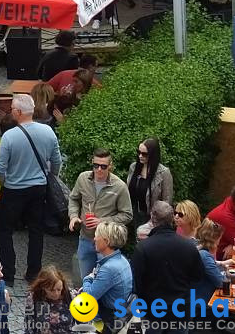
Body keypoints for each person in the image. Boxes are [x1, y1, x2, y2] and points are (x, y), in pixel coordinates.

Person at [0, 93, 60, 283]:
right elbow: (56, 161)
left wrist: (5, 182)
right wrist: (49, 176)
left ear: (20, 112)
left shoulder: (9, 136)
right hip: (38, 187)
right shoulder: (48, 132)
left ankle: (8, 272)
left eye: (13, 109)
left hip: (13, 188)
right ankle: (33, 272)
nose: (11, 111)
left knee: (5, 230)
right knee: (36, 230)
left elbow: (0, 167)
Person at [130, 201, 205, 330]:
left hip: (153, 309)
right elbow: (198, 276)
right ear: (172, 219)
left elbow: (137, 283)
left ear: (153, 218)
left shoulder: (142, 248)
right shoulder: (188, 246)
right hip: (181, 308)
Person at [67, 148, 133, 280]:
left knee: (103, 282)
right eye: (95, 165)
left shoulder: (119, 186)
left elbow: (127, 215)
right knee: (85, 280)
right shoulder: (83, 178)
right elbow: (73, 198)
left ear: (110, 166)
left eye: (103, 166)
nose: (99, 170)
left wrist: (102, 221)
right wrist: (73, 216)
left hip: (106, 243)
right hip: (85, 238)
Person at [80, 221, 132, 332]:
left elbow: (89, 297)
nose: (94, 239)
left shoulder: (109, 268)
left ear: (106, 241)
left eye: (97, 236)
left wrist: (87, 279)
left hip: (107, 320)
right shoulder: (122, 260)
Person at [126, 137, 174, 230]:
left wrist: (154, 221)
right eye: (138, 152)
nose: (140, 156)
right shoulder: (133, 167)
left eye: (144, 154)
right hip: (136, 214)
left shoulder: (164, 173)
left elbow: (167, 201)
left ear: (153, 155)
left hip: (154, 218)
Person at [23, 266, 75, 334]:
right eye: (51, 290)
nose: (56, 293)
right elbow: (29, 328)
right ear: (43, 287)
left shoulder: (70, 296)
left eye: (59, 289)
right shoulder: (33, 298)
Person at [193, 218, 232, 303]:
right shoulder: (204, 255)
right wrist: (229, 274)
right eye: (220, 238)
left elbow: (210, 265)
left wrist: (222, 264)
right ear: (215, 238)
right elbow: (221, 283)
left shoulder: (195, 245)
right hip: (202, 302)